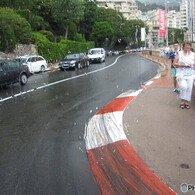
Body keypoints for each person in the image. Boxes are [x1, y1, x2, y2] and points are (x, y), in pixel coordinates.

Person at [173, 42, 195, 109]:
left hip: (191, 73)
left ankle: (187, 102)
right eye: (186, 45)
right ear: (183, 46)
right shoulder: (179, 54)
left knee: (189, 88)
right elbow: (174, 63)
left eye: (189, 45)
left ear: (190, 46)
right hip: (181, 73)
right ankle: (182, 101)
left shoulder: (193, 54)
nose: (187, 47)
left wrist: (192, 65)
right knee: (183, 86)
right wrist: (183, 65)